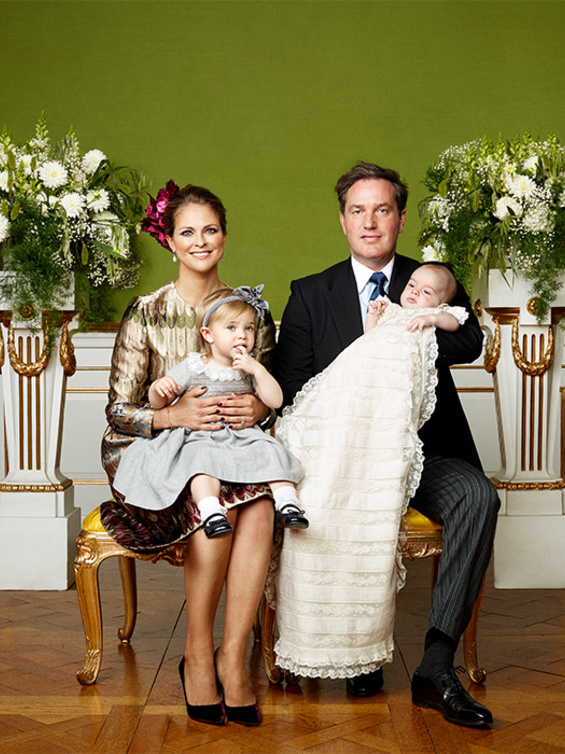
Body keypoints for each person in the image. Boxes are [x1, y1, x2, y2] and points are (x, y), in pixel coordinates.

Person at [273, 162, 500, 728]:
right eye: (358, 210)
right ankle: (355, 652)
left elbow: (470, 342)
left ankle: (437, 666)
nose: (370, 222)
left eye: (382, 210)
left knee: (479, 496)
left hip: (423, 453)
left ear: (400, 219)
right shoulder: (310, 294)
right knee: (330, 507)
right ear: (343, 221)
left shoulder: (428, 283)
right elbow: (293, 390)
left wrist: (418, 323)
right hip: (343, 460)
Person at [101, 181, 277, 728]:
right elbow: (118, 411)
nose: (200, 241)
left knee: (260, 507)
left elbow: (270, 397)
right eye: (187, 232)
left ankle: (233, 657)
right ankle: (198, 655)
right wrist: (174, 416)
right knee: (213, 509)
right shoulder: (147, 311)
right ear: (170, 241)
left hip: (235, 448)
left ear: (224, 236)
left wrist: (256, 411)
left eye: (210, 229)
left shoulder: (248, 310)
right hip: (154, 450)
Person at [112, 285, 307, 540]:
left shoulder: (249, 367)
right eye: (231, 327)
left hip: (242, 435)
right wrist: (160, 388)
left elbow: (275, 400)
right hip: (202, 435)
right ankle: (211, 511)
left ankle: (287, 503)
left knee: (271, 451)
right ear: (208, 334)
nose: (242, 335)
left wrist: (259, 371)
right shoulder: (194, 365)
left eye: (249, 328)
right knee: (201, 462)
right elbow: (158, 403)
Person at [365, 262, 466, 333]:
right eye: (412, 285)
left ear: (441, 305)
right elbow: (369, 336)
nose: (415, 291)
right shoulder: (391, 310)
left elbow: (454, 324)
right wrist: (373, 316)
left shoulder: (432, 313)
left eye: (426, 291)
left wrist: (432, 319)